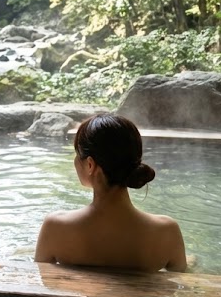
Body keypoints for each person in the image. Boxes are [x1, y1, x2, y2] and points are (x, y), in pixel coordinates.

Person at [34, 113, 187, 272]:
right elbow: (182, 285)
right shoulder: (167, 232)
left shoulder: (56, 228)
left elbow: (37, 282)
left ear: (90, 165)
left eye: (77, 154)